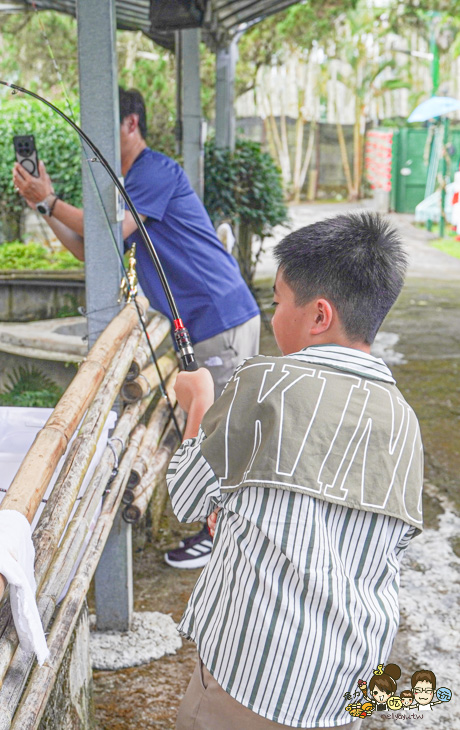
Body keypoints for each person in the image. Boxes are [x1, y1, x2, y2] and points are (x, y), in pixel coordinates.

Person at [167, 212, 424, 729]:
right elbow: (376, 544)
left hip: (253, 676)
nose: (272, 313)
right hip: (345, 685)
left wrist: (198, 401)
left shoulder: (262, 383)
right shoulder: (405, 421)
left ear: (319, 315)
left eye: (278, 301)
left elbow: (187, 499)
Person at [13, 87, 260, 569]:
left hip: (219, 314)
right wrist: (44, 207)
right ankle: (224, 532)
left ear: (131, 124)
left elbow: (107, 232)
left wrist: (54, 199)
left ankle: (225, 541)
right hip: (205, 316)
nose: (98, 139)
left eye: (108, 126)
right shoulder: (127, 180)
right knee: (214, 425)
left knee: (220, 429)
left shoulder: (154, 171)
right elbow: (92, 250)